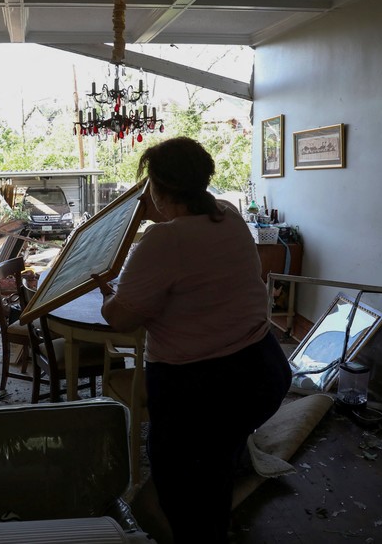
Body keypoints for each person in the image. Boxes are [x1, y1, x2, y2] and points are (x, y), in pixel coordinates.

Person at [92, 137, 292, 543]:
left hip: (201, 387)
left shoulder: (163, 241)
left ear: (160, 190)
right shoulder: (229, 216)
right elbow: (201, 285)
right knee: (215, 466)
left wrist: (109, 294)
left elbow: (119, 318)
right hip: (263, 370)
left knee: (183, 485)